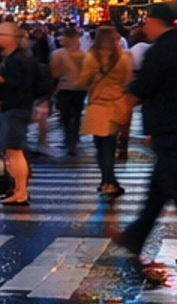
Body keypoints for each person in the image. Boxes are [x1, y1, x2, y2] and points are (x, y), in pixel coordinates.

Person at [116, 2, 177, 278]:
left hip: (166, 128)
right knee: (159, 190)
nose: (144, 26)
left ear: (156, 22)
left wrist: (127, 93)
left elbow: (145, 86)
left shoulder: (159, 51)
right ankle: (135, 237)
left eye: (147, 20)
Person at [0, 19, 36, 207]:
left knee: (14, 152)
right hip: (14, 107)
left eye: (1, 34)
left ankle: (20, 192)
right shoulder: (15, 57)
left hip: (14, 108)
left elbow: (13, 81)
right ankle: (19, 190)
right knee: (15, 151)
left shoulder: (16, 59)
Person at [81, 23, 133, 198]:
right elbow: (128, 81)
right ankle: (109, 181)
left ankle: (107, 180)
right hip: (116, 104)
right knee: (110, 145)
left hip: (97, 105)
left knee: (100, 146)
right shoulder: (123, 59)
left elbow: (84, 81)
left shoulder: (91, 58)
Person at [49, 26, 86, 155]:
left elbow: (54, 73)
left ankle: (68, 136)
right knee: (77, 113)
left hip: (64, 88)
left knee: (65, 114)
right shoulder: (85, 55)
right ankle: (74, 136)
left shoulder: (57, 54)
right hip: (81, 88)